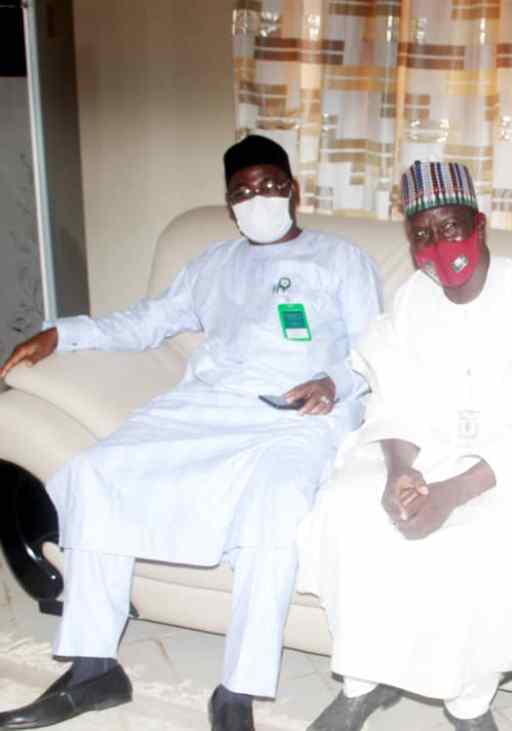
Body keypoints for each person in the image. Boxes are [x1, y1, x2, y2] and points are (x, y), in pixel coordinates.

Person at [0, 135, 381, 731]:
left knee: (276, 505)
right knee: (98, 473)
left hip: (297, 415)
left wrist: (334, 382)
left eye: (270, 185)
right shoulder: (212, 265)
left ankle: (237, 691)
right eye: (243, 191)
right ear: (230, 205)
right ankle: (93, 670)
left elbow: (374, 348)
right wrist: (61, 334)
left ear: (293, 190)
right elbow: (147, 322)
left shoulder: (339, 259)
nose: (258, 198)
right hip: (206, 406)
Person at [295, 161, 512, 731]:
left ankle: (469, 705)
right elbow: (394, 400)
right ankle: (361, 684)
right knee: (350, 508)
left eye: (450, 227)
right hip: (429, 448)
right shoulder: (413, 299)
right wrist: (399, 472)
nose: (438, 246)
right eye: (421, 234)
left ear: (480, 225)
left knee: (473, 546)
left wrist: (451, 494)